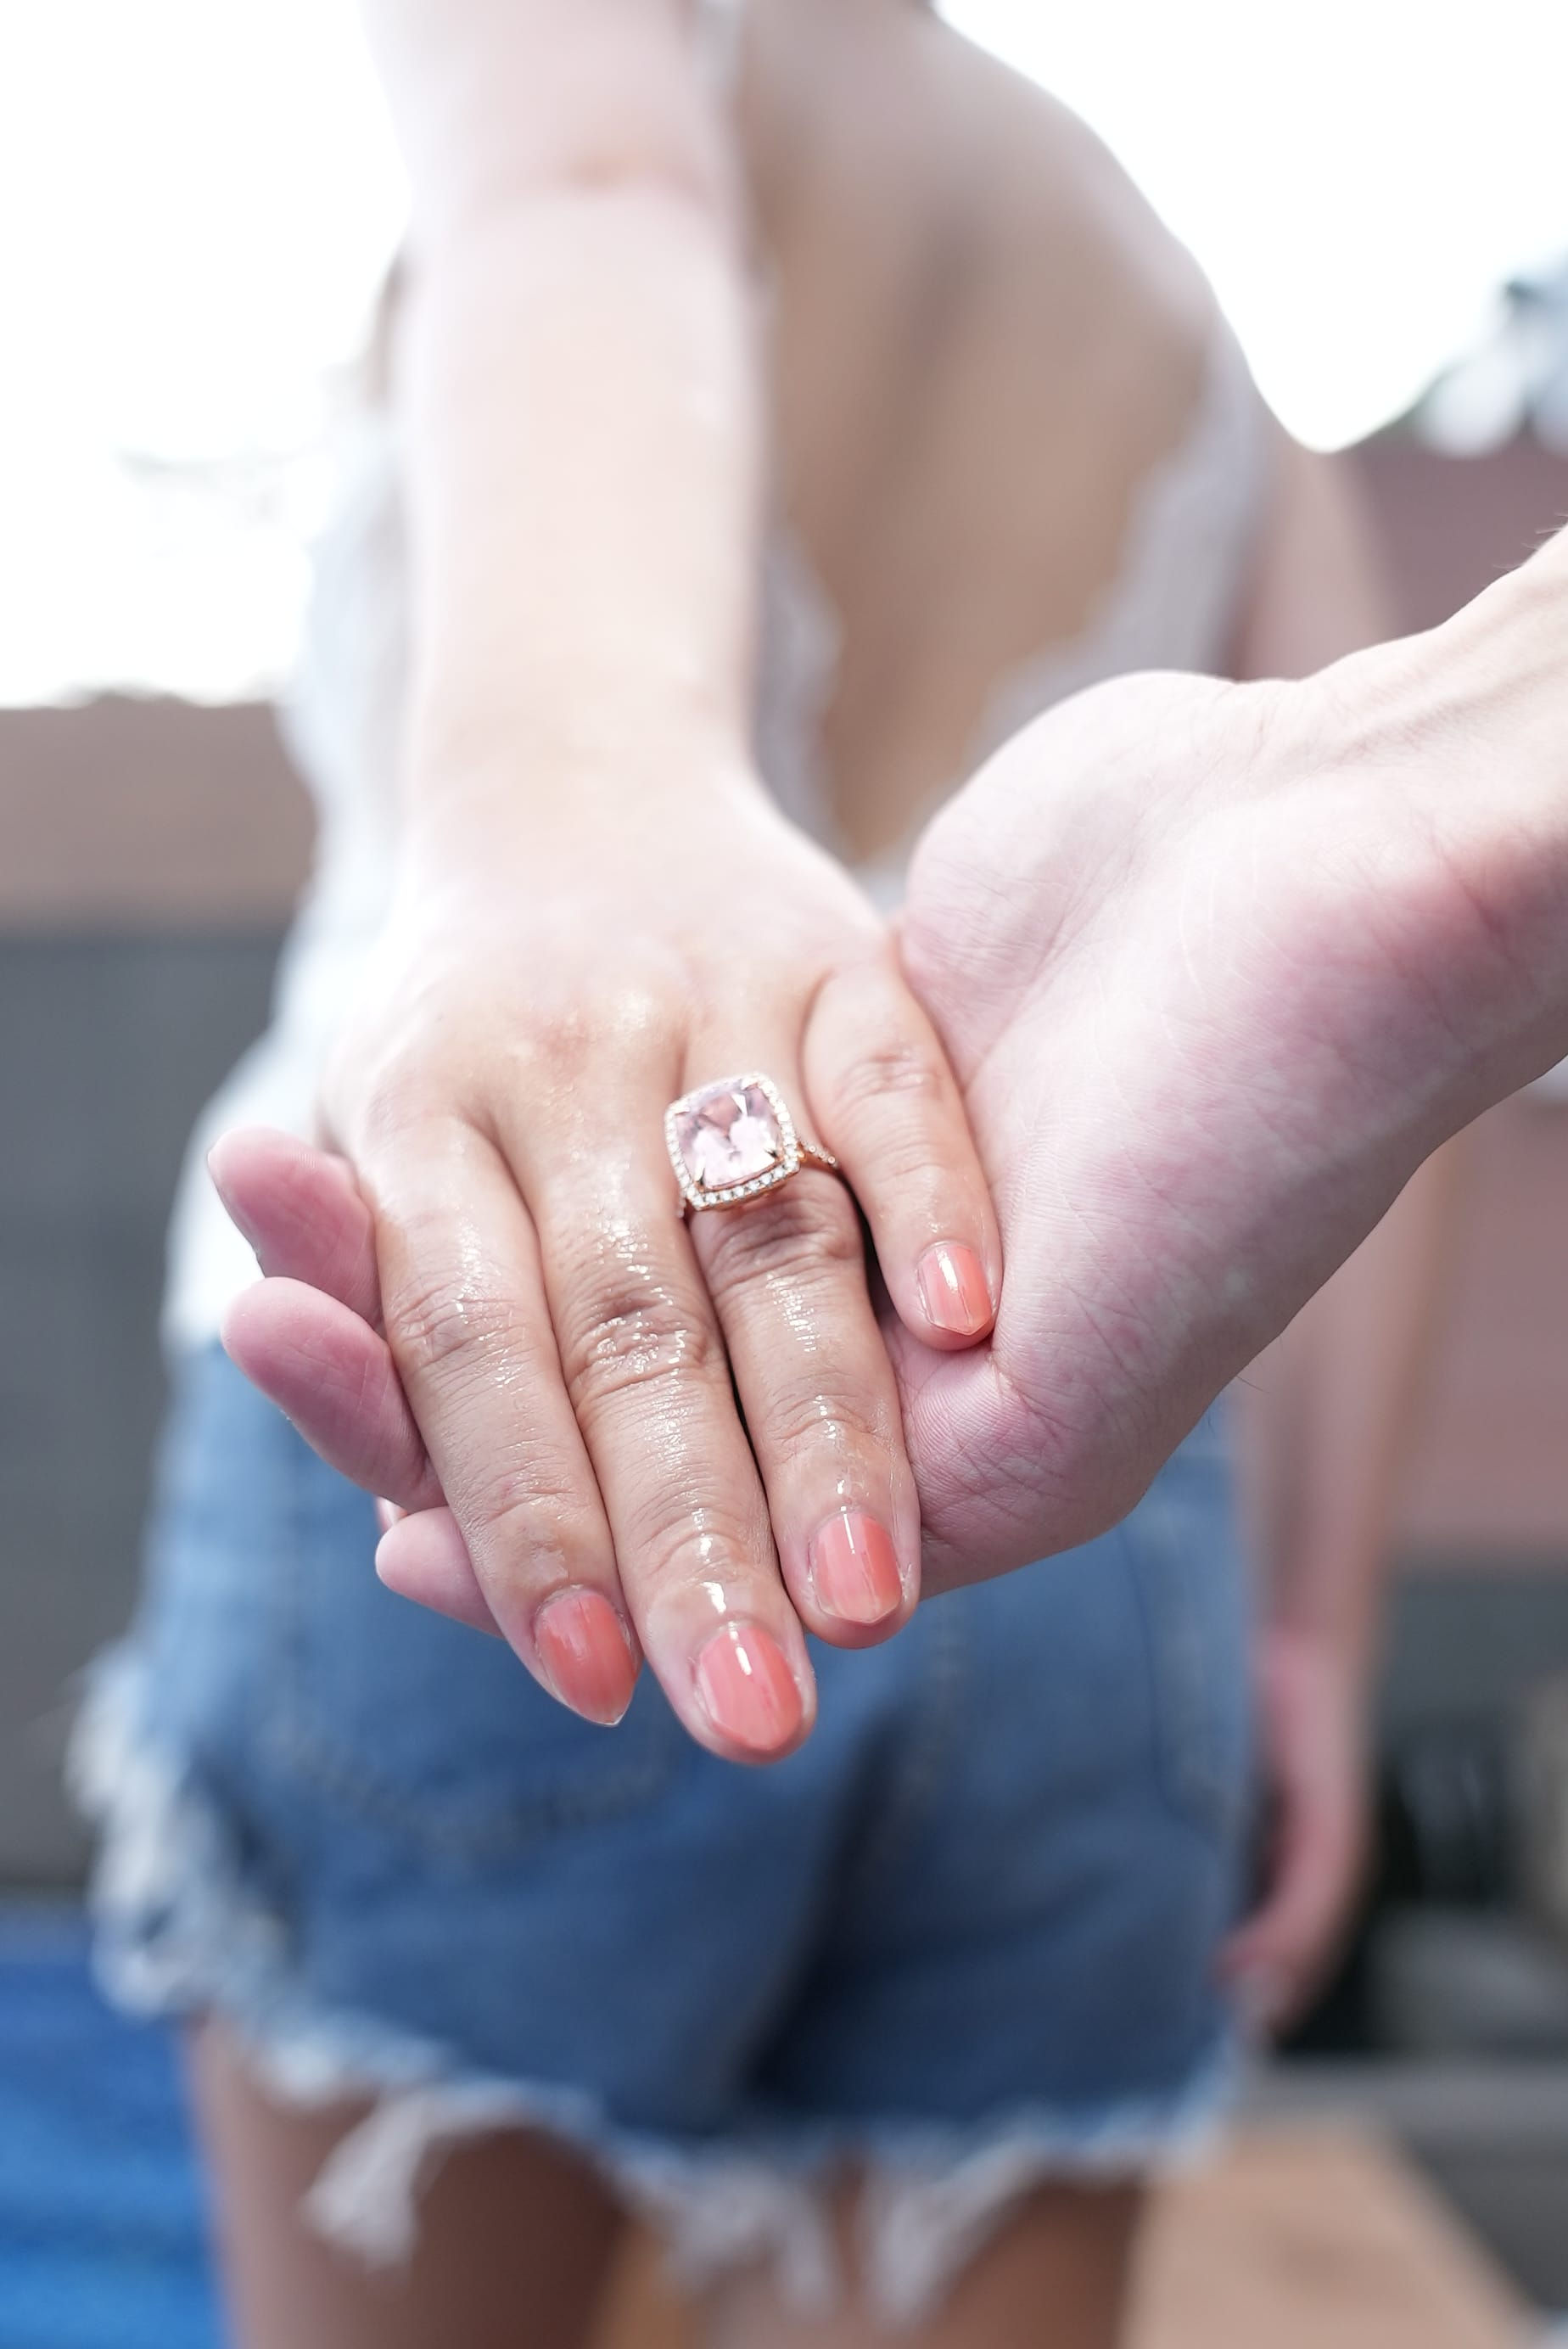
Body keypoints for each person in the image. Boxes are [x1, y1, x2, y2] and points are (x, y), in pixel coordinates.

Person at [75, 3, 1463, 2343]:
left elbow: (585, 211)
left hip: (506, 1419)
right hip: (1082, 1510)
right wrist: (1315, 1635)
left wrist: (574, 797)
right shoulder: (1176, 292)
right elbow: (1374, 1030)